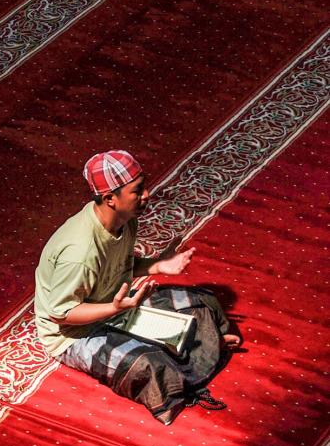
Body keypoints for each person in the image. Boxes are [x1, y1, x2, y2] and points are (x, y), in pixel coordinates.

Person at [34, 150, 239, 424]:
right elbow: (61, 314)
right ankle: (201, 354)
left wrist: (157, 266)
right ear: (110, 199)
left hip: (114, 307)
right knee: (148, 365)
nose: (146, 195)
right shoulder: (79, 253)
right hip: (74, 335)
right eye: (137, 191)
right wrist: (116, 307)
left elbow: (120, 264)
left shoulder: (124, 219)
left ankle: (205, 347)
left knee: (204, 302)